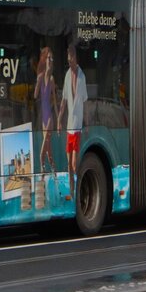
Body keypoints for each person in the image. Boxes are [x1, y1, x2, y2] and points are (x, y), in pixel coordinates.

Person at [58, 43, 88, 199]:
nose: (69, 63)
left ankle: (81, 187)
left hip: (77, 127)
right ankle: (72, 191)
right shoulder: (67, 75)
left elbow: (84, 102)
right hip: (69, 126)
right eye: (68, 61)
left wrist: (87, 123)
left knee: (75, 164)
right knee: (69, 165)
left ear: (75, 58)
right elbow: (63, 100)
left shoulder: (82, 77)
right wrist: (59, 119)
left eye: (70, 60)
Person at [34, 46, 58, 172]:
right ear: (44, 60)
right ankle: (52, 165)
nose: (51, 60)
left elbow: (54, 99)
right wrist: (38, 82)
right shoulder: (40, 77)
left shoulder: (52, 79)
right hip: (43, 114)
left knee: (46, 139)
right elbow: (35, 95)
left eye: (52, 58)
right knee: (48, 145)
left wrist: (58, 119)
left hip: (49, 115)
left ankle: (41, 161)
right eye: (49, 58)